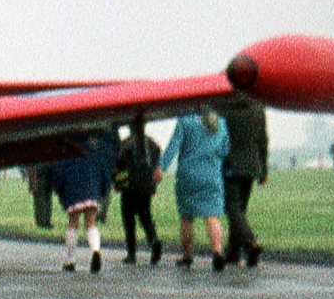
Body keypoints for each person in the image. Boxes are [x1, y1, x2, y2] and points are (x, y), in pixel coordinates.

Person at [155, 108, 230, 270]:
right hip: (212, 175)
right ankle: (217, 252)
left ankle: (187, 255)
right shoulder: (221, 122)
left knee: (187, 217)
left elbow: (174, 144)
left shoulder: (185, 120)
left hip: (188, 175)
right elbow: (225, 150)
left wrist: (161, 166)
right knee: (212, 216)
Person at [219, 94, 268, 267]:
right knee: (240, 209)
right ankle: (233, 252)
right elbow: (263, 139)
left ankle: (250, 242)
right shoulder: (258, 106)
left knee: (232, 207)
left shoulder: (224, 107)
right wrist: (264, 168)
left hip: (231, 163)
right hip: (252, 165)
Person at [53, 131, 112, 272]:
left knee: (73, 223)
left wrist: (59, 188)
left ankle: (70, 259)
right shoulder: (94, 149)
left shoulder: (67, 150)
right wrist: (102, 190)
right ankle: (95, 251)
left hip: (73, 190)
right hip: (92, 190)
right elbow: (104, 171)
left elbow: (59, 173)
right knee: (91, 223)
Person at [115, 117, 162, 265]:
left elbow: (118, 164)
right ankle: (154, 242)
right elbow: (157, 155)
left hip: (129, 188)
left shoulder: (126, 144)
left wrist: (117, 183)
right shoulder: (151, 144)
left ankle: (131, 254)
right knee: (146, 217)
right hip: (146, 188)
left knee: (129, 221)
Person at [24, 163, 54, 228]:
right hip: (47, 167)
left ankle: (42, 221)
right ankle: (46, 220)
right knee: (47, 196)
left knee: (40, 196)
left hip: (39, 168)